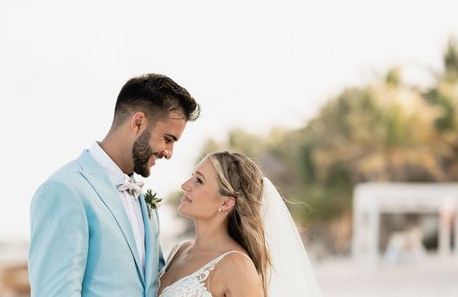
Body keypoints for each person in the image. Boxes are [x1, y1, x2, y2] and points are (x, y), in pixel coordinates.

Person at [28, 74, 200, 297]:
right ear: (138, 122)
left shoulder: (145, 202)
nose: (168, 153)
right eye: (167, 138)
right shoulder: (65, 191)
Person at [158, 151, 323, 297]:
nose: (185, 185)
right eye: (192, 176)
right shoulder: (179, 250)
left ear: (226, 203)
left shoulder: (237, 265)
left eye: (199, 181)